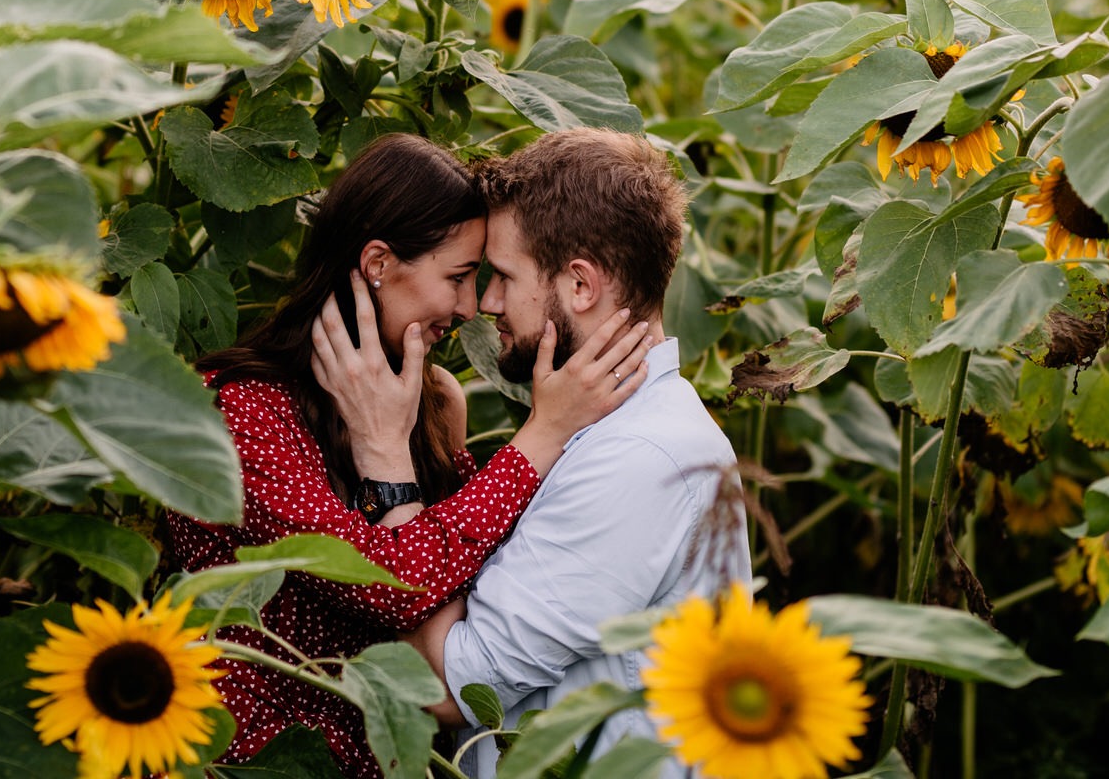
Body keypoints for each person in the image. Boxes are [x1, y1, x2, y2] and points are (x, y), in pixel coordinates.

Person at [165, 132, 654, 777]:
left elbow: (469, 591)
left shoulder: (433, 402)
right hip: (239, 760)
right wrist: (541, 434)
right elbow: (391, 586)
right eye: (456, 276)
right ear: (377, 263)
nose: (470, 304)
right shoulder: (240, 414)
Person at [374, 128, 752, 778]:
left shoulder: (640, 457)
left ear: (580, 285)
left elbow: (444, 683)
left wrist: (386, 459)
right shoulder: (610, 430)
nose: (486, 303)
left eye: (505, 275)